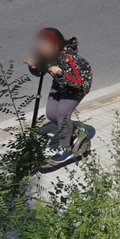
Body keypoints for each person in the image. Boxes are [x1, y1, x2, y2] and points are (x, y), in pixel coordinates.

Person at [25, 28, 93, 165]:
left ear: (55, 45)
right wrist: (33, 67)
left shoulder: (68, 58)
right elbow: (41, 73)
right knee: (51, 114)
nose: (41, 47)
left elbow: (77, 82)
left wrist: (61, 74)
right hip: (60, 84)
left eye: (45, 45)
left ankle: (66, 149)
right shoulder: (43, 54)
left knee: (62, 113)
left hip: (77, 86)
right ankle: (74, 130)